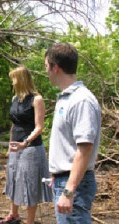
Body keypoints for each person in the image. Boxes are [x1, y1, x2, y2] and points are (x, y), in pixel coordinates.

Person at [45, 43, 101, 224]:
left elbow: (84, 150)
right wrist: (57, 175)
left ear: (56, 67)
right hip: (65, 180)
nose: (46, 71)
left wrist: (69, 191)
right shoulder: (67, 98)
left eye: (47, 67)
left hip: (74, 185)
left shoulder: (81, 100)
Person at [0, 66, 52, 224]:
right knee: (13, 179)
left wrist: (25, 142)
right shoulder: (15, 99)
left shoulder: (37, 99)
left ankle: (30, 221)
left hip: (31, 148)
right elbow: (13, 125)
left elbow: (39, 127)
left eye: (14, 79)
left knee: (30, 184)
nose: (12, 82)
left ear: (21, 79)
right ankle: (13, 214)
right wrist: (10, 146)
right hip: (16, 147)